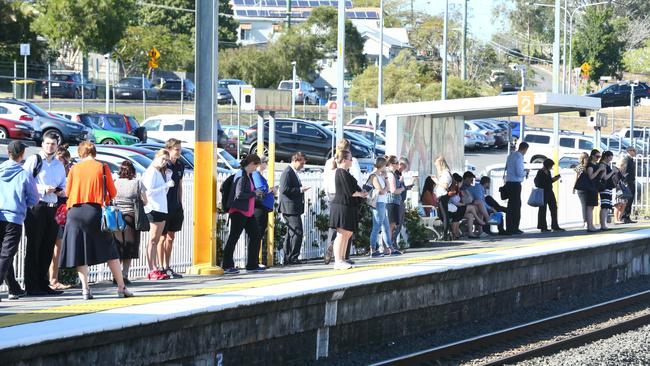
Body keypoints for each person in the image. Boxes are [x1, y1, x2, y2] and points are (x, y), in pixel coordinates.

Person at [59, 141, 133, 299]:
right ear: (94, 152)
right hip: (94, 211)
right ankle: (121, 287)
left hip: (75, 213)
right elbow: (112, 193)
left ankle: (85, 289)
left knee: (80, 250)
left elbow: (67, 192)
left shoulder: (74, 168)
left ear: (81, 153)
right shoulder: (102, 167)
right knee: (110, 250)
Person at [22, 132, 67, 296]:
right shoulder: (34, 160)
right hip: (37, 207)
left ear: (57, 146)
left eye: (53, 144)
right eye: (47, 143)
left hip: (53, 207)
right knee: (35, 246)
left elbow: (64, 185)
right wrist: (42, 189)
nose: (50, 147)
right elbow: (25, 181)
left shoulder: (58, 165)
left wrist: (60, 191)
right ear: (42, 144)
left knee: (48, 246)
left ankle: (43, 283)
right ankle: (31, 285)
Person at [0, 141, 38, 301]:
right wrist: (23, 203)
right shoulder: (24, 175)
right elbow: (34, 199)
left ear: (8, 152)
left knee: (3, 255)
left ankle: (14, 288)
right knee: (7, 255)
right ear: (22, 154)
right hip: (14, 218)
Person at [222, 154, 266, 274]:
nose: (256, 169)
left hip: (247, 211)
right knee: (234, 237)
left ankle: (252, 264)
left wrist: (255, 193)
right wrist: (254, 193)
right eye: (255, 166)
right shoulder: (241, 176)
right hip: (239, 211)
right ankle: (227, 265)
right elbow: (239, 194)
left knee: (256, 236)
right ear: (251, 164)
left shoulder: (248, 175)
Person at [323, 139, 361, 264]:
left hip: (333, 195)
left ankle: (333, 249)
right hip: (345, 196)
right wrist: (360, 193)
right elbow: (356, 178)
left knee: (337, 228)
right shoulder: (349, 162)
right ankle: (342, 256)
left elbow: (325, 180)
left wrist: (327, 194)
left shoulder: (330, 161)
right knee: (345, 230)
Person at [329, 150, 368, 270]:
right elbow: (349, 191)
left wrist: (362, 192)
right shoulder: (340, 172)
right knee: (341, 233)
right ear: (344, 160)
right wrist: (360, 194)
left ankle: (343, 258)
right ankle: (338, 260)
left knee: (348, 233)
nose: (352, 161)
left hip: (349, 206)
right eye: (350, 159)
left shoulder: (346, 172)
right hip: (341, 205)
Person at [113, 161, 146, 284]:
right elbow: (145, 200)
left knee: (118, 246)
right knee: (130, 246)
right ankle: (124, 275)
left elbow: (111, 197)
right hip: (131, 216)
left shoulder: (116, 183)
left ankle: (115, 275)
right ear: (132, 171)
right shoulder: (137, 183)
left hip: (116, 217)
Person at [142, 149, 174, 280]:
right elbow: (148, 192)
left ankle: (155, 267)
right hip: (153, 208)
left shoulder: (160, 172)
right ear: (157, 157)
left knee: (157, 239)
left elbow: (163, 192)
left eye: (166, 160)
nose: (164, 162)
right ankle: (151, 268)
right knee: (153, 240)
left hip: (161, 208)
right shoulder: (151, 172)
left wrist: (167, 181)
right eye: (163, 159)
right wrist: (165, 185)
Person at [159, 138, 185, 279]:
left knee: (171, 237)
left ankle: (168, 266)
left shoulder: (180, 165)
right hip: (164, 205)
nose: (179, 152)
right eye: (176, 149)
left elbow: (180, 185)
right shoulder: (164, 165)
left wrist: (180, 203)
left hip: (175, 206)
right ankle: (161, 266)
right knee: (161, 238)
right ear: (169, 150)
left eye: (180, 149)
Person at [48, 145, 72, 291]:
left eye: (66, 163)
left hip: (62, 213)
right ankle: (51, 279)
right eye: (65, 163)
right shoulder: (54, 172)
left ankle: (54, 278)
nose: (65, 166)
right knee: (52, 248)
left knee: (58, 248)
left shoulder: (67, 175)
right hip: (52, 210)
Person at [279, 152, 310, 265]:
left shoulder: (292, 172)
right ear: (296, 160)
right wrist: (300, 190)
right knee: (297, 232)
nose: (303, 166)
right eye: (301, 163)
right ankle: (293, 257)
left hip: (292, 207)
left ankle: (289, 257)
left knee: (291, 233)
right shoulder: (287, 172)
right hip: (289, 208)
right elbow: (284, 189)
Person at [251, 155, 275, 265]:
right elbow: (261, 189)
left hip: (263, 208)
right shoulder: (256, 174)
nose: (266, 165)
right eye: (266, 163)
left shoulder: (258, 174)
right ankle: (254, 261)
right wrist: (271, 190)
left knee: (258, 235)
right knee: (257, 235)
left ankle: (255, 261)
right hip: (259, 208)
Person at [367, 157, 391, 257]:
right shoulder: (374, 176)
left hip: (382, 202)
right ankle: (372, 249)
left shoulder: (380, 175)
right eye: (385, 165)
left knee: (386, 226)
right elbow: (381, 191)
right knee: (376, 227)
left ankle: (390, 248)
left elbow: (387, 189)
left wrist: (385, 178)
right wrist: (385, 188)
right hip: (378, 204)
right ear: (382, 165)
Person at [504, 142, 528, 235]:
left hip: (509, 182)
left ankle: (509, 227)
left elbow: (507, 168)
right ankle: (515, 228)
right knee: (516, 207)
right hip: (515, 184)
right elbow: (519, 172)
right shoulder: (519, 157)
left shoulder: (510, 156)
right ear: (525, 149)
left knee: (510, 207)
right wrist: (525, 172)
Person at [534, 159, 564, 232]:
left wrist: (554, 179)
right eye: (551, 166)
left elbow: (549, 181)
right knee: (543, 210)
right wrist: (553, 179)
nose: (551, 167)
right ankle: (543, 227)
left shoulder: (548, 172)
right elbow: (538, 182)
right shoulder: (540, 172)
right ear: (547, 165)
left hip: (550, 192)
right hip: (543, 192)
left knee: (554, 208)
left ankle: (555, 226)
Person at [385, 155, 404, 254]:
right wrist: (402, 188)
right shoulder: (391, 174)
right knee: (390, 226)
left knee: (391, 226)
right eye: (396, 163)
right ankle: (388, 247)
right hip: (391, 201)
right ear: (392, 164)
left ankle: (389, 246)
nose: (398, 165)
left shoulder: (392, 174)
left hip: (393, 202)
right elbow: (393, 190)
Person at [584, 149, 605, 232]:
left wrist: (603, 172)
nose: (598, 158)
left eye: (599, 156)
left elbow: (597, 177)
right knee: (589, 207)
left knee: (592, 207)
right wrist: (599, 170)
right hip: (590, 188)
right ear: (592, 156)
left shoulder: (595, 164)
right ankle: (589, 226)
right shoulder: (590, 165)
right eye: (597, 156)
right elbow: (591, 177)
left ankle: (591, 225)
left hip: (595, 187)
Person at [434, 156, 453, 239]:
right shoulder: (445, 173)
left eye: (437, 166)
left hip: (443, 195)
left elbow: (445, 185)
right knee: (442, 215)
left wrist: (437, 182)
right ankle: (448, 231)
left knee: (444, 215)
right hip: (441, 195)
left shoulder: (446, 173)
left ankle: (445, 233)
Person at [597, 151, 617, 231]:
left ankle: (604, 224)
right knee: (604, 206)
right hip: (604, 187)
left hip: (608, 187)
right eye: (610, 157)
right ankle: (603, 225)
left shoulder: (606, 165)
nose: (611, 159)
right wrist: (613, 171)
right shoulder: (602, 165)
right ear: (606, 157)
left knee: (606, 206)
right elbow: (604, 177)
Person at [620, 147, 637, 224]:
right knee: (627, 199)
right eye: (633, 151)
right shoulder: (627, 159)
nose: (635, 152)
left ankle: (627, 216)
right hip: (628, 182)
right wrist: (626, 182)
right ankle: (624, 217)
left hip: (631, 182)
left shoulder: (631, 159)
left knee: (630, 200)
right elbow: (625, 171)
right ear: (629, 151)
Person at [573, 152, 591, 227]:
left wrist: (574, 187)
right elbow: (576, 178)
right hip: (583, 188)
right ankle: (585, 221)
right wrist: (574, 187)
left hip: (586, 188)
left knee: (587, 205)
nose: (586, 159)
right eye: (585, 158)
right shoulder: (581, 167)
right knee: (584, 204)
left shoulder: (586, 167)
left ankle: (587, 221)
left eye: (587, 157)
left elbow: (576, 178)